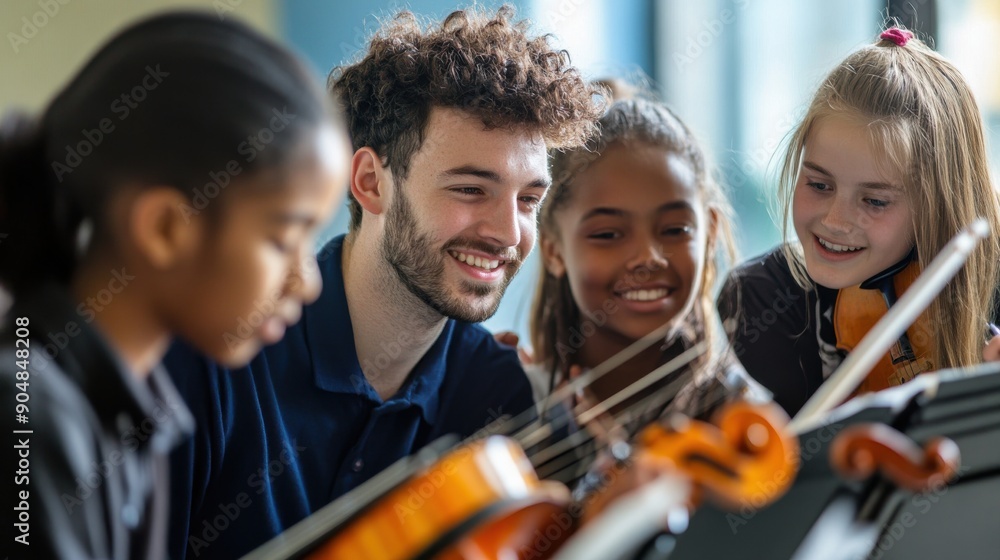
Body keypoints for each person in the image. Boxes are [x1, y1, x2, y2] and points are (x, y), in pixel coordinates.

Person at [163, 6, 604, 559]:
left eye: (529, 200)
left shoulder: (499, 394)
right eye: (470, 190)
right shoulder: (217, 356)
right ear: (371, 182)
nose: (507, 233)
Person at [0, 12, 347, 560]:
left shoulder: (142, 410)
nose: (307, 284)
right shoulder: (25, 412)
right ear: (165, 228)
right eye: (284, 239)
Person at [719, 27, 1000, 416]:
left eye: (874, 201)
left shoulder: (989, 276)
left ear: (937, 203)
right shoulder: (763, 297)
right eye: (819, 184)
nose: (835, 220)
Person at [528, 92, 766, 491]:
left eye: (675, 230)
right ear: (553, 248)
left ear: (708, 232)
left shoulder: (743, 419)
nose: (648, 258)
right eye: (608, 234)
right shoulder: (515, 400)